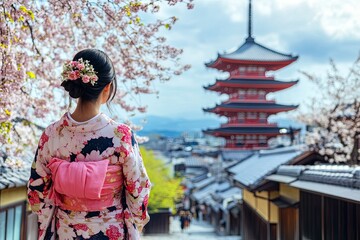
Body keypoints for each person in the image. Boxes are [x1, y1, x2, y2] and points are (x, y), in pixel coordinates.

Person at [27, 49, 151, 240]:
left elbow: (36, 193)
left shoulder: (51, 135)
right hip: (110, 230)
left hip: (66, 230)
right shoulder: (121, 135)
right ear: (107, 88)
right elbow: (139, 191)